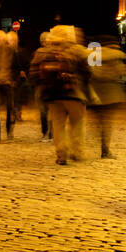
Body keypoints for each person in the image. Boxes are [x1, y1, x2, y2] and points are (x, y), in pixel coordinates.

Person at [29, 25, 92, 165]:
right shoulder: (77, 51)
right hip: (74, 93)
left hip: (53, 95)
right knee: (77, 123)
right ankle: (77, 151)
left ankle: (61, 153)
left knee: (58, 125)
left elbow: (33, 73)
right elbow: (87, 73)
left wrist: (39, 89)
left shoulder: (43, 52)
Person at [88, 35, 126, 158]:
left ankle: (98, 140)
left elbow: (91, 73)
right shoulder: (116, 57)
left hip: (95, 93)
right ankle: (105, 150)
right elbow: (122, 73)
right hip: (111, 95)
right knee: (106, 123)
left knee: (98, 122)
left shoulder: (94, 56)